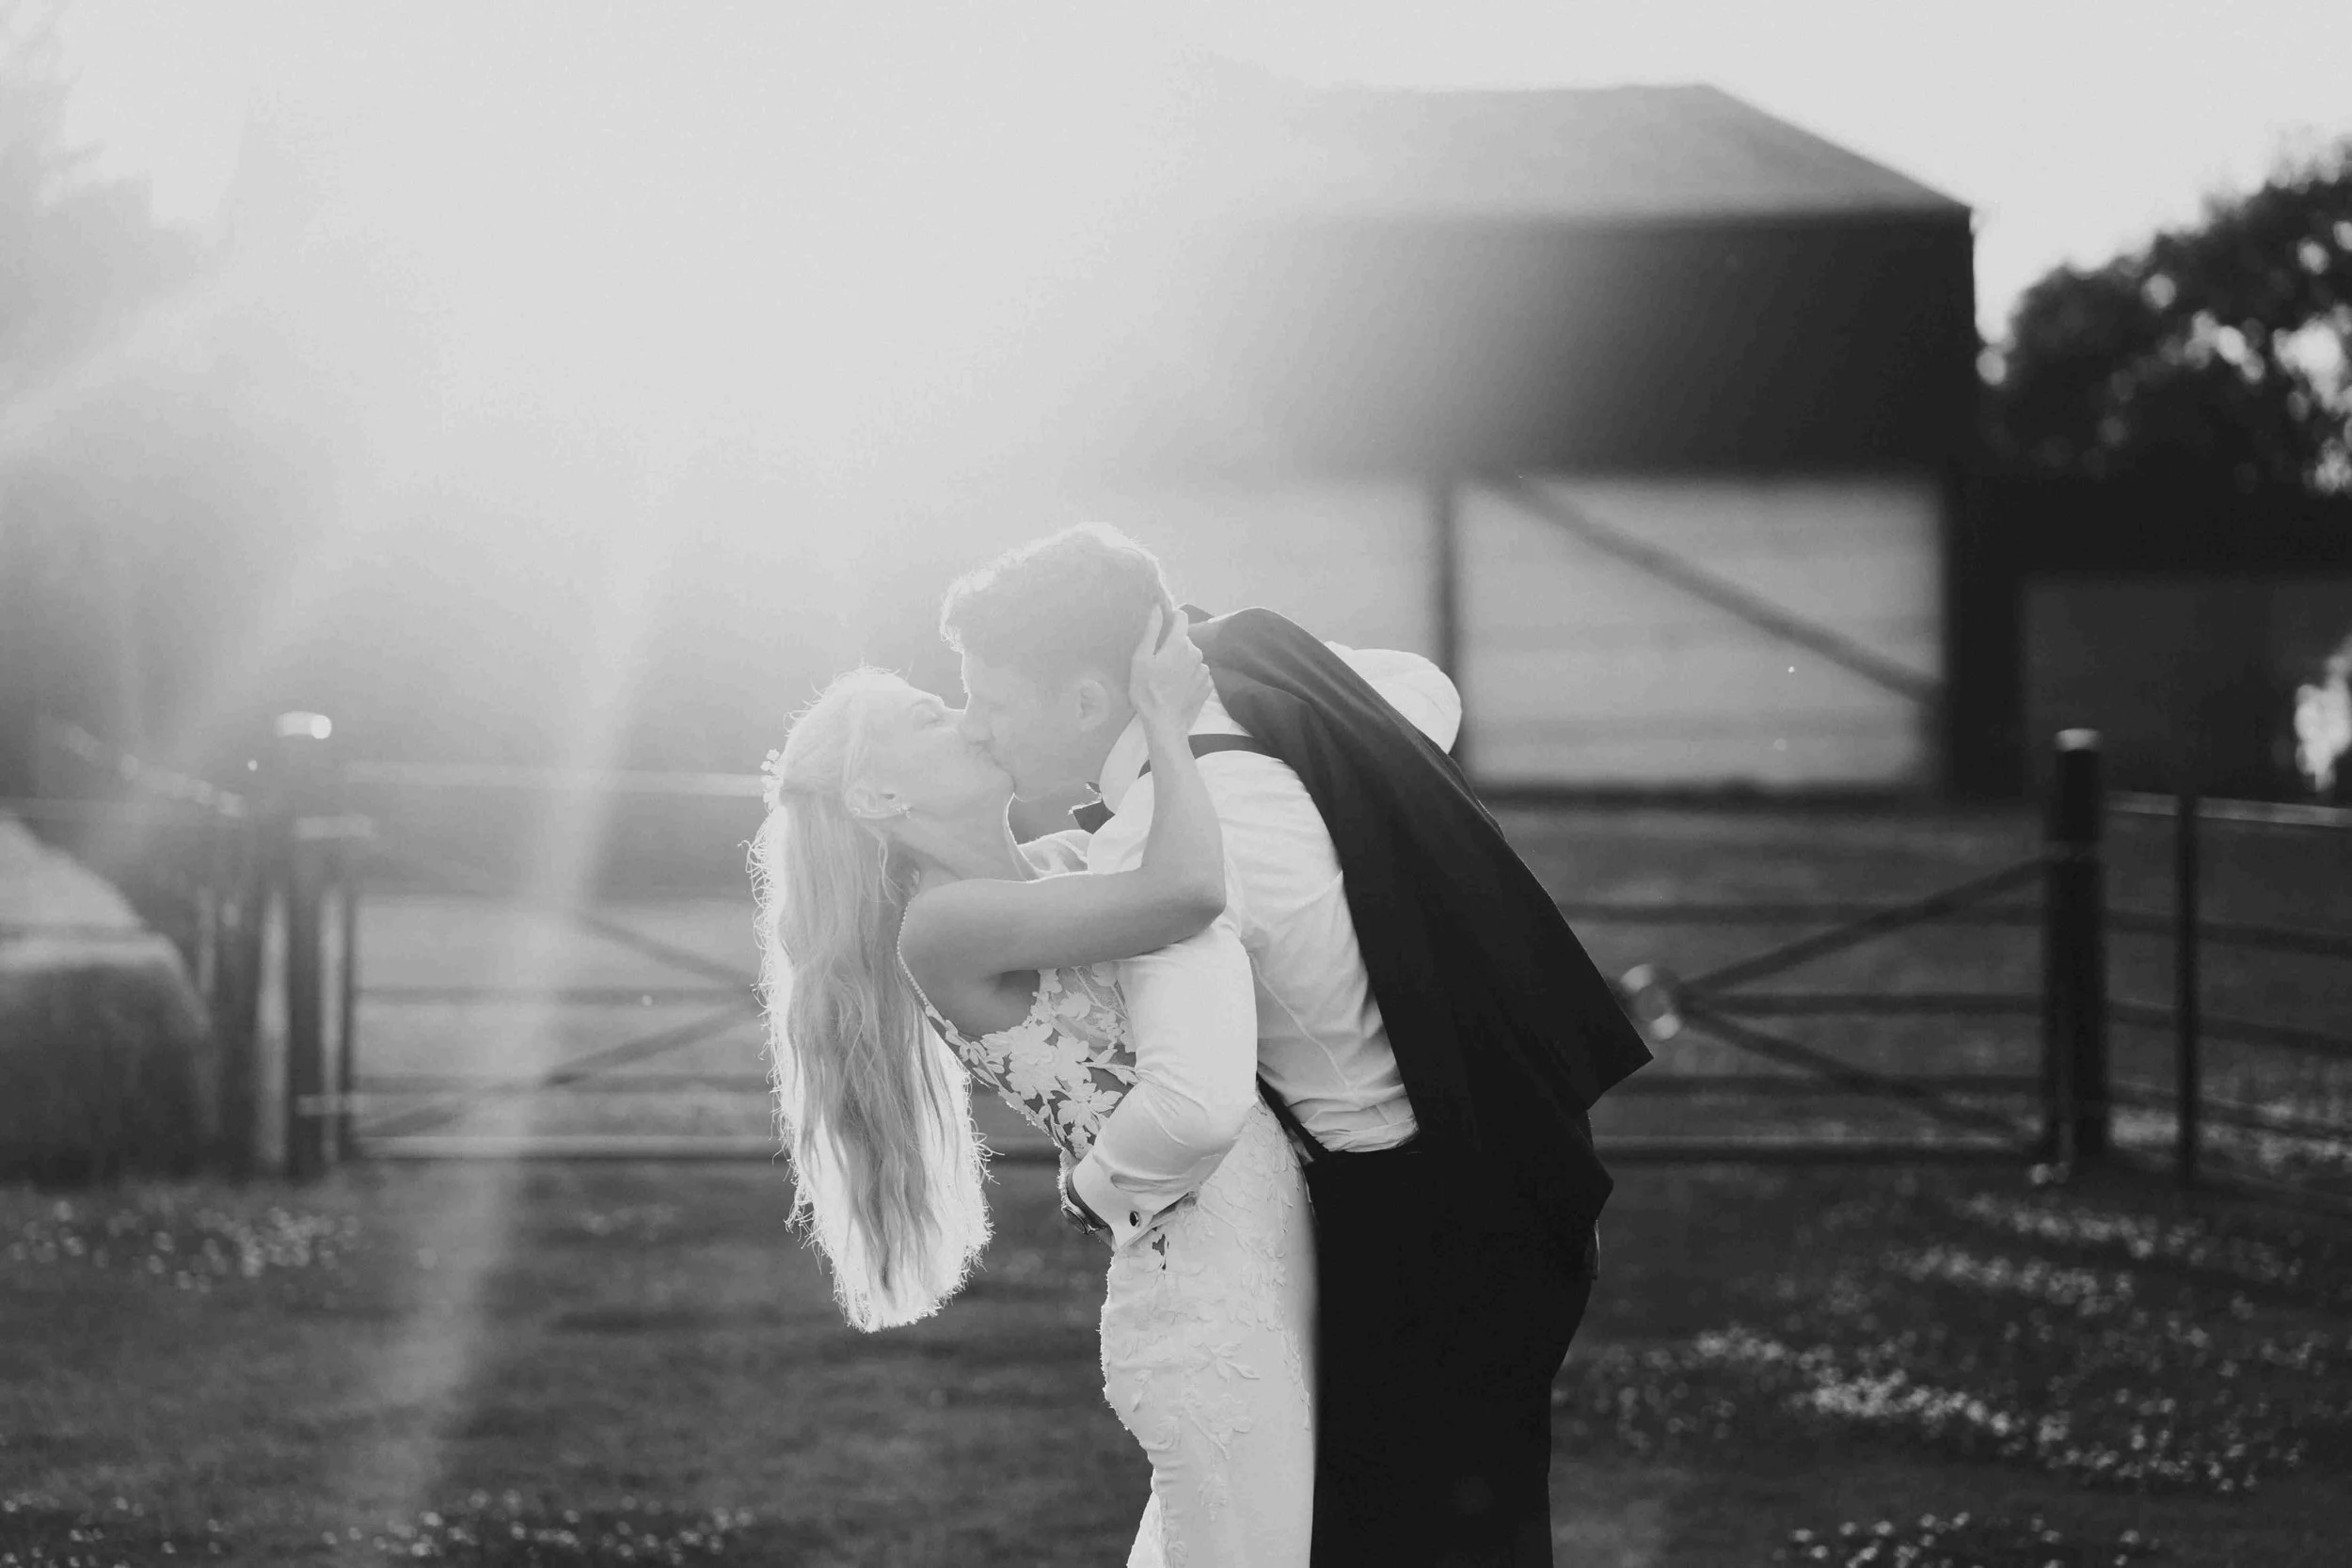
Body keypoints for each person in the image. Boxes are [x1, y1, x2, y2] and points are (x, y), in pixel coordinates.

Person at [944, 525, 1652, 1568]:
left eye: (992, 700)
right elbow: (1425, 691)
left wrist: (1098, 1191)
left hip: (1420, 1228)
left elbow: (1194, 1099)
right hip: (1526, 1162)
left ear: (1091, 701)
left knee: (1398, 1539)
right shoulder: (1267, 673)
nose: (977, 727)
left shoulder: (1168, 836)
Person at [752, 610, 1313, 1567]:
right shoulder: (942, 927)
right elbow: (1185, 889)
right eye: (934, 716)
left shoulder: (1052, 875)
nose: (973, 721)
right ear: (879, 790)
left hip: (1260, 1276)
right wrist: (1165, 726)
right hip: (1207, 1312)